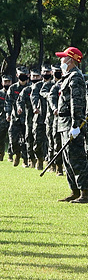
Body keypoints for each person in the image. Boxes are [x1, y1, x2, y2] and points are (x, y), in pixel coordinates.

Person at [53, 47, 87, 203]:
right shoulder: (67, 77)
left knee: (76, 158)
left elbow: (76, 103)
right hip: (63, 123)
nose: (61, 61)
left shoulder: (75, 78)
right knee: (67, 160)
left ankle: (85, 193)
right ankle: (74, 191)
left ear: (71, 60)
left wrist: (75, 125)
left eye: (63, 58)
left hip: (72, 124)